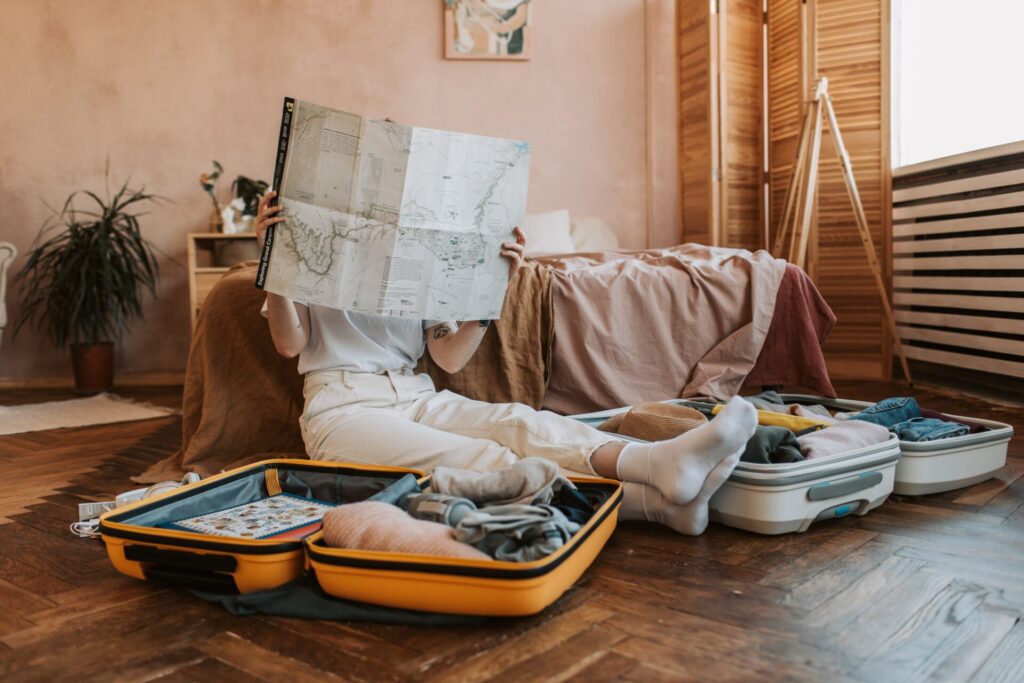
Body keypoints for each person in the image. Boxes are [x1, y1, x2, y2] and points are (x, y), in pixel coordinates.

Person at [255, 192, 757, 535]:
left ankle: (658, 465)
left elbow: (447, 356)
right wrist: (275, 262)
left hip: (415, 394)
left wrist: (492, 288)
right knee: (480, 460)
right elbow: (288, 345)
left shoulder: (418, 255)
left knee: (519, 422)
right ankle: (655, 505)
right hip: (343, 409)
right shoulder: (308, 251)